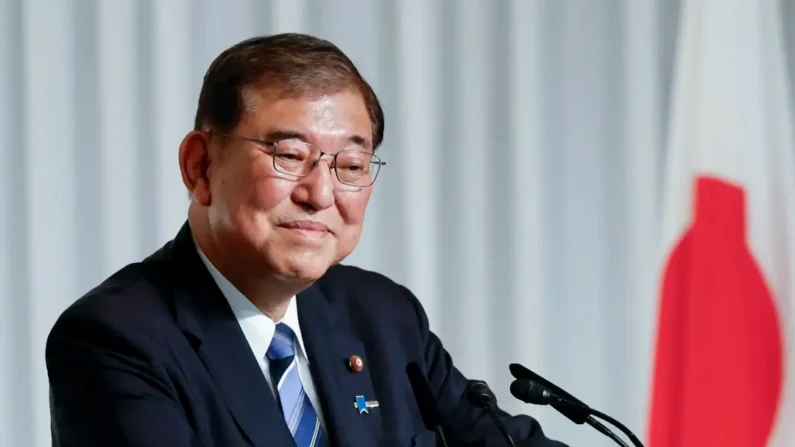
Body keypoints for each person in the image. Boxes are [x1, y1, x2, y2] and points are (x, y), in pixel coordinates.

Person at [46, 33, 567, 447]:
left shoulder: (382, 315)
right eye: (290, 156)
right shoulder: (116, 339)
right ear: (200, 166)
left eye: (351, 165)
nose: (321, 193)